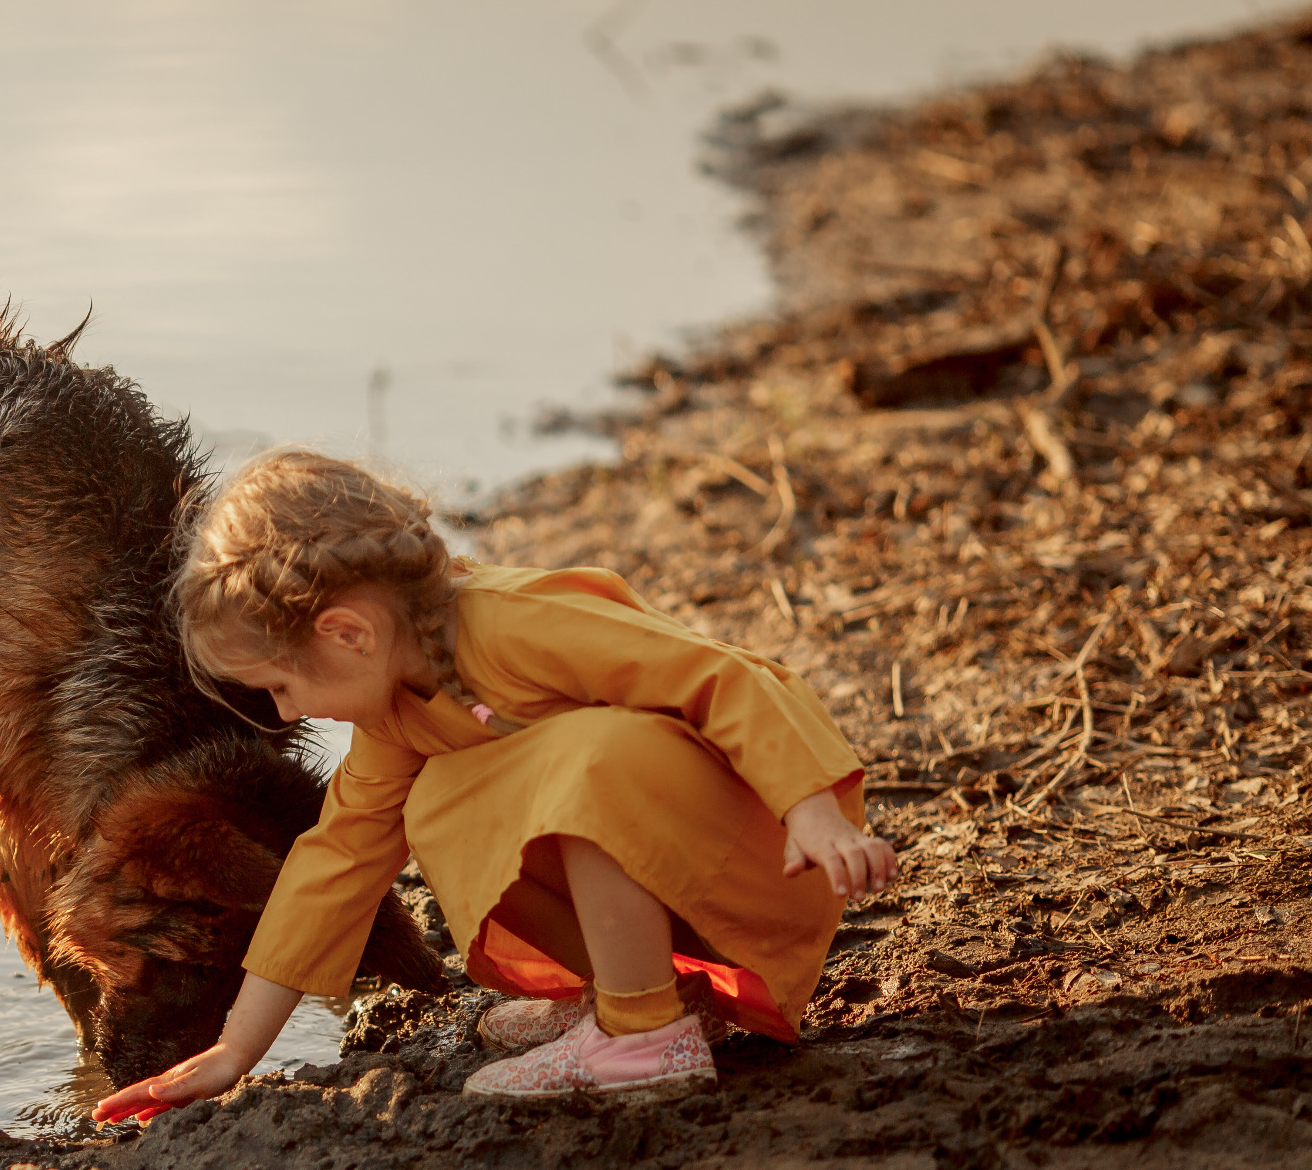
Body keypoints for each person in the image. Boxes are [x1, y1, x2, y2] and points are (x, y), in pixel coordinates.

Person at [94, 449, 896, 1120]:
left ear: (347, 635)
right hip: (686, 876)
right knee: (446, 800)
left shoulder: (512, 620)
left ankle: (643, 1036)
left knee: (585, 758)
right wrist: (234, 1050)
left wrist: (814, 811)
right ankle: (640, 990)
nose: (285, 711)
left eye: (279, 687)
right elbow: (334, 864)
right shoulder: (399, 712)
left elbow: (721, 676)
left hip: (774, 854)